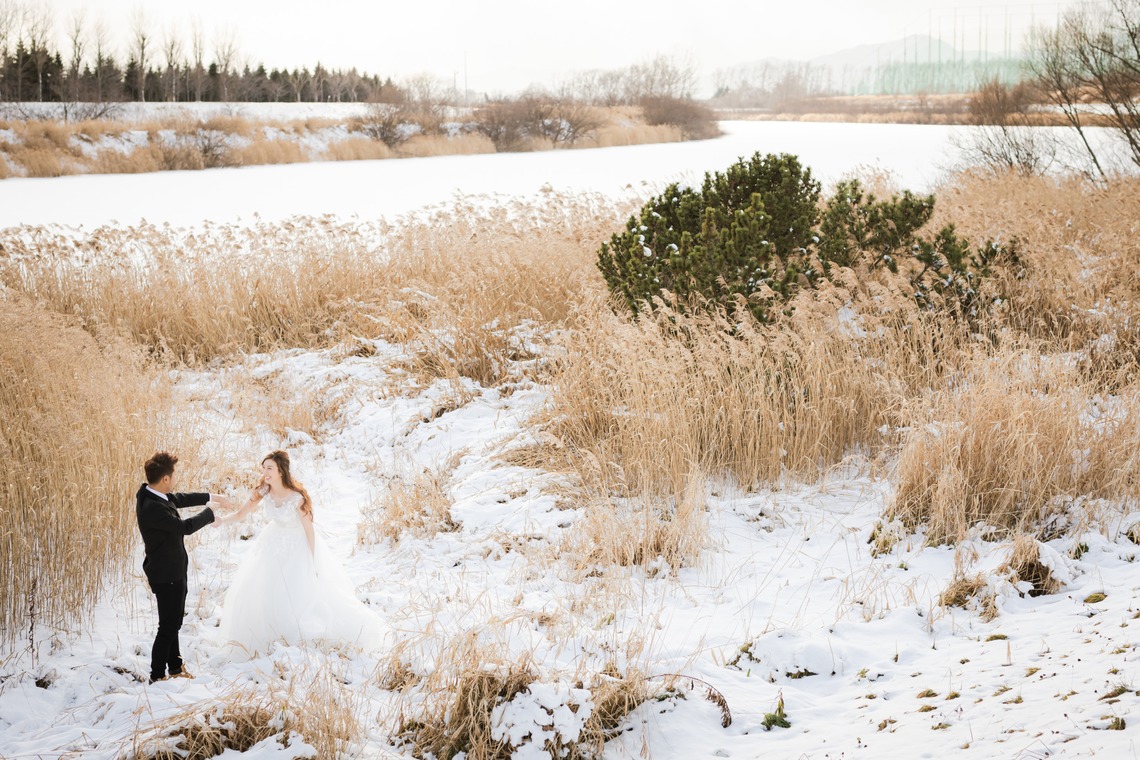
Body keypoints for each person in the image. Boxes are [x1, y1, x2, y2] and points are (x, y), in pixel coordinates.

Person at [215, 450, 383, 655]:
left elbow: (309, 531)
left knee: (296, 592)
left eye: (269, 468)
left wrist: (312, 561)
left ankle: (294, 640)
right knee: (266, 590)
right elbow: (242, 514)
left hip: (296, 546)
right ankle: (270, 636)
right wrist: (221, 520)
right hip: (271, 545)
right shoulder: (263, 491)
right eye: (263, 467)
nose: (264, 472)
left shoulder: (297, 498)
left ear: (280, 471)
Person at [136, 451, 233, 685]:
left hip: (172, 570)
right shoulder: (152, 508)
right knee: (168, 626)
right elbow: (184, 527)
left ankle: (176, 668)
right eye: (174, 476)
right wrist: (210, 513)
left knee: (173, 622)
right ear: (166, 479)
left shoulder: (153, 494)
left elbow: (179, 498)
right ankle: (157, 675)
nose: (176, 480)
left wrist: (213, 496)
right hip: (166, 574)